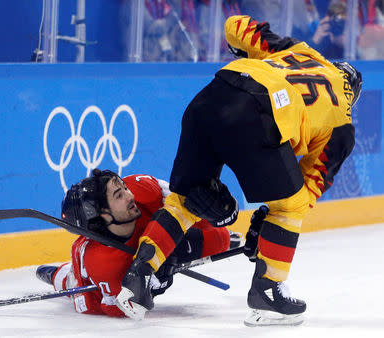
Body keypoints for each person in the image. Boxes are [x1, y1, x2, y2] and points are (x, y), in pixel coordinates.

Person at [116, 14, 362, 326]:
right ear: (353, 92)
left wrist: (245, 54)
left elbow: (236, 25)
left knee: (188, 198)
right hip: (259, 112)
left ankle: (139, 279)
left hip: (212, 95)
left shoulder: (302, 52)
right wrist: (272, 230)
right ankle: (267, 290)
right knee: (291, 206)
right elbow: (309, 187)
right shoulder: (343, 121)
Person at [36, 169, 240, 317]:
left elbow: (184, 205)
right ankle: (58, 275)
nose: (130, 194)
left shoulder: (141, 189)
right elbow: (120, 308)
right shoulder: (103, 263)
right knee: (71, 280)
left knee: (220, 238)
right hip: (90, 282)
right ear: (103, 216)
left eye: (123, 188)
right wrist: (155, 286)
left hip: (141, 242)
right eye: (119, 195)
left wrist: (211, 215)